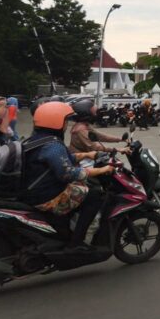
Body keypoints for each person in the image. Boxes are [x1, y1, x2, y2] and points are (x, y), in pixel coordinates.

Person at [19, 101, 114, 249]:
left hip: (34, 190)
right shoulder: (53, 145)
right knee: (95, 196)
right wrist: (102, 170)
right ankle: (77, 242)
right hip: (46, 196)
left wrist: (87, 155)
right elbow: (68, 173)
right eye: (65, 121)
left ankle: (66, 225)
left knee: (81, 188)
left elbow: (63, 159)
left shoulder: (37, 139)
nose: (67, 125)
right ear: (56, 121)